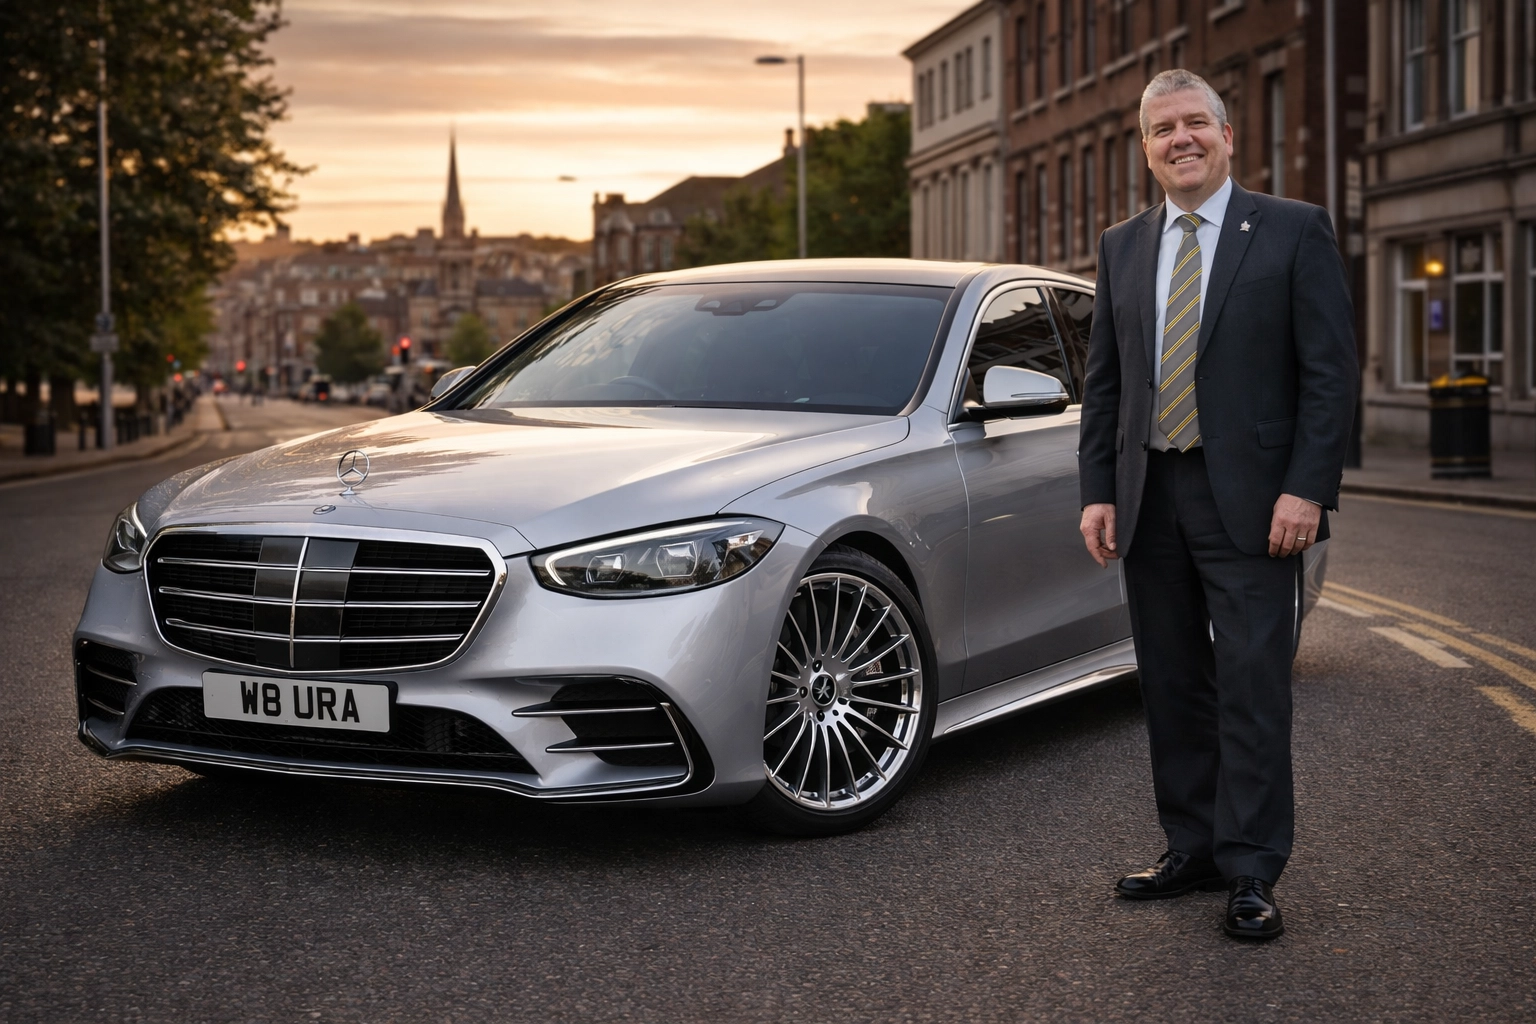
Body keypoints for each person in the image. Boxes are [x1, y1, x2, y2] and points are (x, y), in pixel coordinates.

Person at [1077, 69, 1358, 940]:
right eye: (1163, 129)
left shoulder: (1293, 229)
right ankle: (1192, 846)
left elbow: (1329, 374)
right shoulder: (1122, 246)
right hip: (1150, 494)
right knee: (1171, 684)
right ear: (1146, 148)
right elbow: (1106, 383)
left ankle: (1251, 868)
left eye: (1196, 123)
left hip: (1256, 499)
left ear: (1228, 136)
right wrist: (1098, 491)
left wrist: (1307, 487)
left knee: (1251, 687)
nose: (1182, 140)